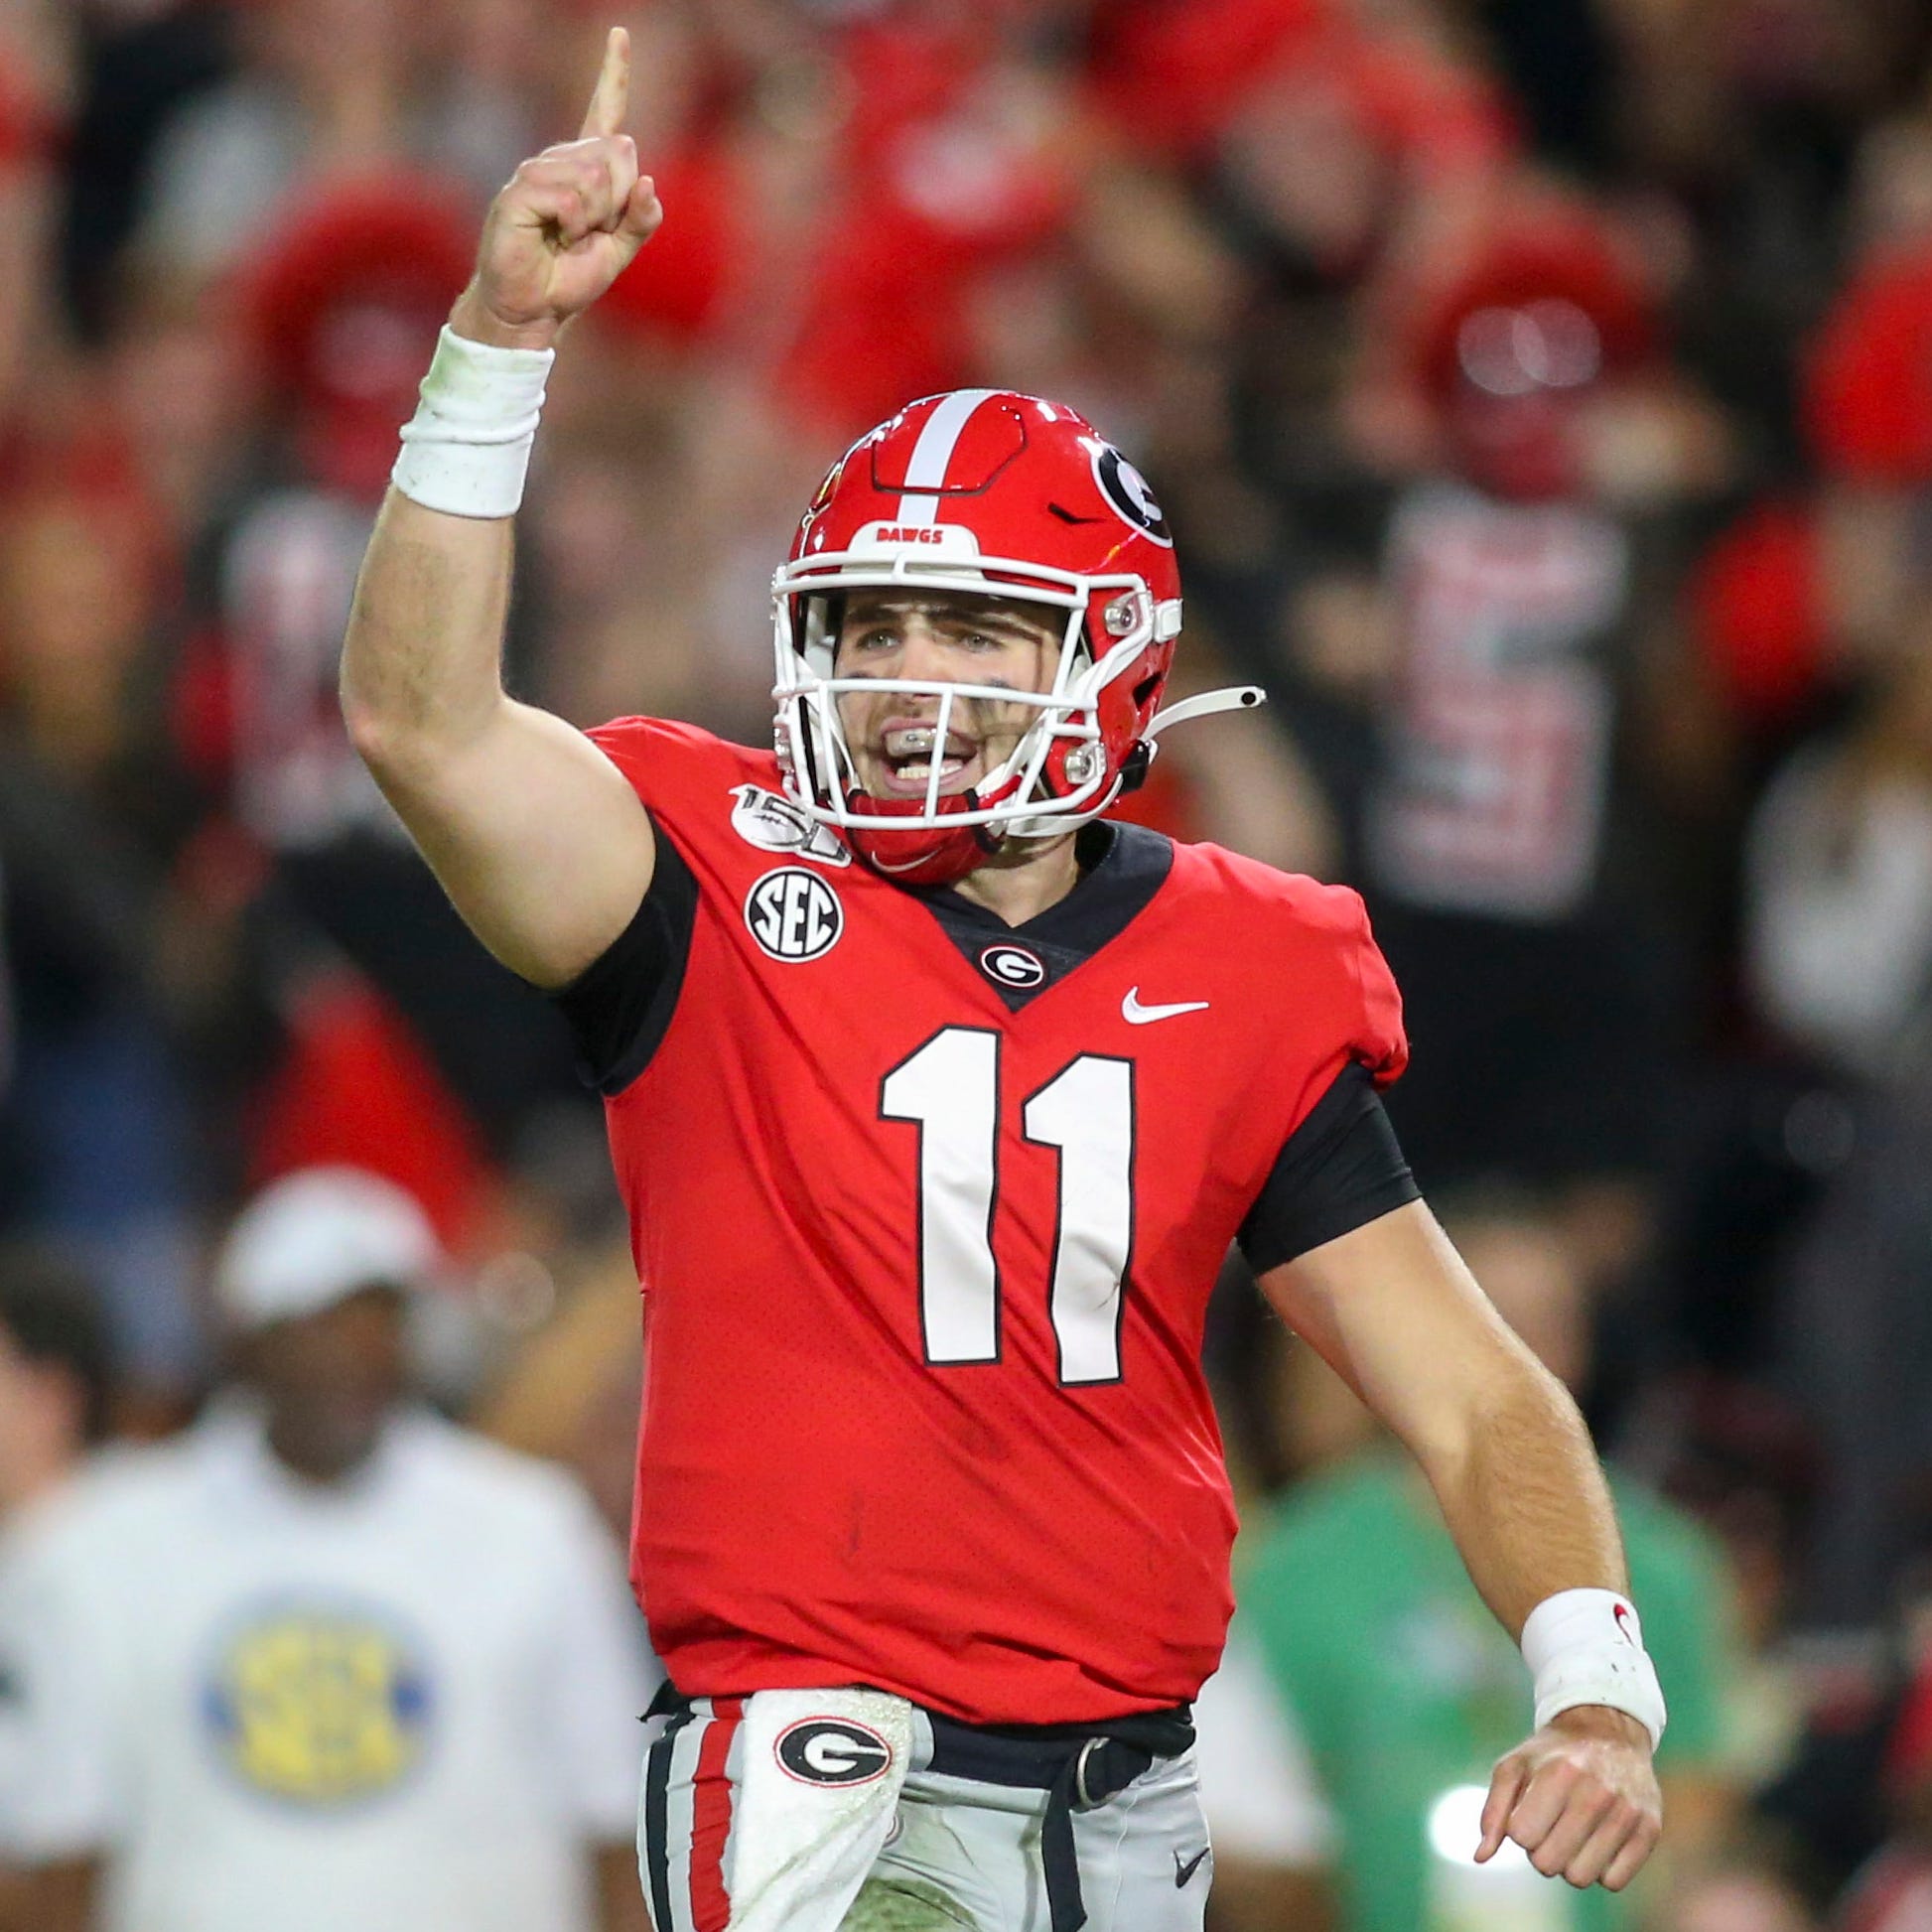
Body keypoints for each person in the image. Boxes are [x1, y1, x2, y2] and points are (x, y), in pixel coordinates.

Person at [340, 30, 1668, 1932]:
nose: (903, 678)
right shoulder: (707, 863)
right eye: (868, 624)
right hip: (815, 1751)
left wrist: (1596, 1685)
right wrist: (497, 343)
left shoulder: (1246, 953)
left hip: (1131, 1778)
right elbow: (423, 726)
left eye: (970, 628)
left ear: (1111, 659)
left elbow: (1467, 1393)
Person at [0, 1167, 656, 1932]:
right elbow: (64, 1846)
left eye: (380, 1321)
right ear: (246, 1341)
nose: (355, 1353)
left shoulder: (534, 1530)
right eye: (321, 1322)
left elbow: (613, 1823)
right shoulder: (105, 1546)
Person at [1199, 1199, 1739, 1932]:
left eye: (1546, 1323)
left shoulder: (1663, 1562)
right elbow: (1259, 1822)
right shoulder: (1291, 1565)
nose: (1517, 1351)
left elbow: (1697, 1805)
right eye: (1488, 1318)